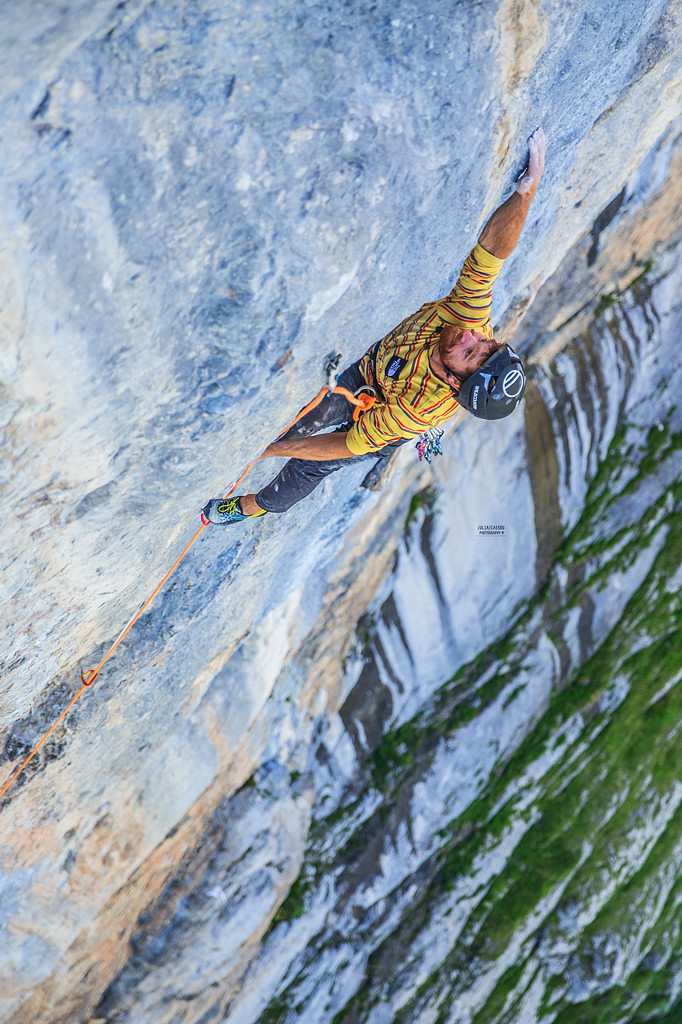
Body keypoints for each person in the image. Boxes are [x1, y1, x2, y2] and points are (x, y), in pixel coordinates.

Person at [202, 127, 546, 526]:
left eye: (470, 352)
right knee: (299, 421)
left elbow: (346, 444)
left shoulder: (419, 409)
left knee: (306, 465)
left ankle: (252, 507)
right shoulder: (469, 319)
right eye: (486, 343)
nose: (472, 335)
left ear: (455, 383)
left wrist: (270, 450)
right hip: (368, 373)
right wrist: (526, 192)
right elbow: (491, 255)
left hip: (385, 414)